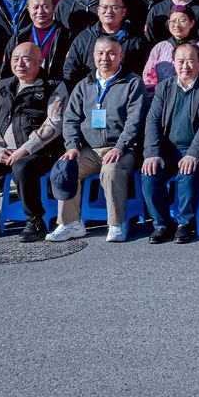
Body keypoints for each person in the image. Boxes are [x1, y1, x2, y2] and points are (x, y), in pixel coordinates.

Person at [0, 40, 67, 242]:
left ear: (40, 61)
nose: (20, 64)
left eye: (26, 59)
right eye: (15, 59)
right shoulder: (2, 86)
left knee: (22, 167)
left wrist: (26, 149)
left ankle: (35, 222)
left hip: (39, 151)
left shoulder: (53, 85)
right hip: (4, 151)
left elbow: (54, 123)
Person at [47, 36, 147, 243]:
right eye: (100, 53)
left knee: (111, 171)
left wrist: (120, 146)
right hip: (90, 150)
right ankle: (70, 224)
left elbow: (135, 121)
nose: (105, 58)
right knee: (66, 167)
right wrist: (72, 146)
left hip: (124, 149)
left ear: (120, 56)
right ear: (93, 56)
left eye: (111, 54)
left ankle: (117, 223)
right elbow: (70, 119)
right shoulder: (84, 85)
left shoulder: (132, 82)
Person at [141, 41, 199, 244]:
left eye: (190, 61)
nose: (185, 66)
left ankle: (185, 224)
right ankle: (162, 224)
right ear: (173, 63)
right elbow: (152, 120)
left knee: (188, 171)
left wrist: (193, 153)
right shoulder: (164, 87)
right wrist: (152, 153)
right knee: (149, 174)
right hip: (169, 149)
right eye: (180, 61)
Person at [62, 0, 145, 85]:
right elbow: (69, 71)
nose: (109, 11)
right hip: (90, 91)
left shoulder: (136, 39)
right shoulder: (84, 38)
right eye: (105, 7)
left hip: (125, 91)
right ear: (98, 10)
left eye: (115, 8)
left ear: (123, 12)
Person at [141, 6, 199, 91]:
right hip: (164, 95)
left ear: (191, 23)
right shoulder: (160, 48)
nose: (177, 25)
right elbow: (148, 76)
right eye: (173, 21)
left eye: (182, 21)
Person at [15, 0, 70, 82]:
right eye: (35, 7)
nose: (40, 11)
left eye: (45, 7)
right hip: (25, 85)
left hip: (55, 86)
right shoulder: (20, 37)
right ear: (28, 9)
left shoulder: (66, 36)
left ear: (54, 8)